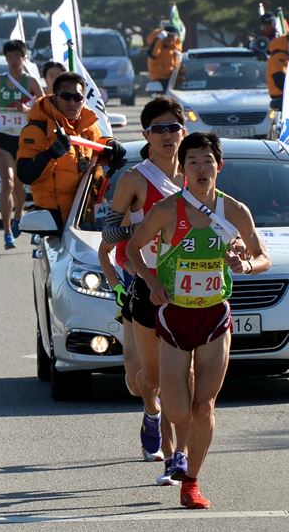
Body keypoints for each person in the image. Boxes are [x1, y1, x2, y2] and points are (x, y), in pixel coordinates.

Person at [127, 131, 270, 510]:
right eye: (193, 162)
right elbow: (131, 249)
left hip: (214, 317)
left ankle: (191, 481)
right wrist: (152, 279)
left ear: (219, 166)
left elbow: (262, 256)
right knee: (178, 410)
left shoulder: (235, 211)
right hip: (174, 319)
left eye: (208, 161)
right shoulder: (165, 211)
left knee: (204, 406)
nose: (201, 168)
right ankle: (170, 437)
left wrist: (247, 264)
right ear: (183, 169)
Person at [99, 96, 189, 485]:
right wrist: (139, 235)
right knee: (141, 378)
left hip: (183, 287)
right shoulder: (135, 179)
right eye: (159, 129)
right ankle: (151, 412)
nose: (168, 136)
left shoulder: (196, 175)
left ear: (183, 132)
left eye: (174, 128)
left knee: (177, 375)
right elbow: (108, 236)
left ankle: (173, 457)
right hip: (139, 284)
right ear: (146, 135)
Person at [16, 71, 126, 228]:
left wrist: (111, 144)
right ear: (54, 97)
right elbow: (25, 174)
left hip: (91, 222)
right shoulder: (36, 129)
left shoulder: (89, 127)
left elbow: (96, 151)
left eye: (77, 97)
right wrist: (51, 154)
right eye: (66, 96)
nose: (72, 102)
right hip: (56, 227)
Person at [0, 40, 43, 250]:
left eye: (17, 56)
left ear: (23, 57)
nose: (13, 60)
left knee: (19, 184)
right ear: (6, 58)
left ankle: (19, 215)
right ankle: (7, 232)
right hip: (2, 138)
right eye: (10, 56)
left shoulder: (31, 81)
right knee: (7, 183)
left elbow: (42, 104)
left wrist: (27, 108)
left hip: (23, 138)